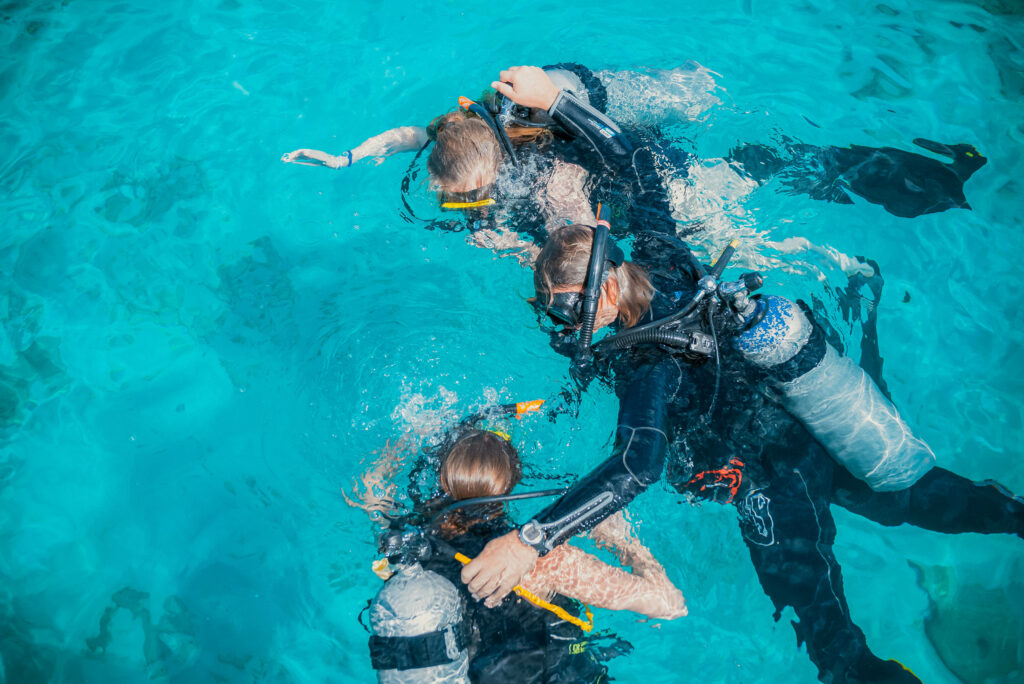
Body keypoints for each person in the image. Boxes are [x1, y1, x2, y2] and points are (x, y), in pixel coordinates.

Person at [458, 224, 1024, 683]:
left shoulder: (648, 365)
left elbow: (637, 465)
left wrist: (527, 539)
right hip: (807, 431)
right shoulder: (660, 251)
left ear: (603, 294)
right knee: (910, 500)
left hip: (765, 481)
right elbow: (635, 164)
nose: (563, 327)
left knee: (831, 642)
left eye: (566, 312)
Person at [348, 425, 686, 683]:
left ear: (443, 481)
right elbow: (669, 604)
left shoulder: (409, 541)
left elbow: (369, 489)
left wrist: (413, 437)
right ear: (514, 481)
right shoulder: (546, 562)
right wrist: (622, 541)